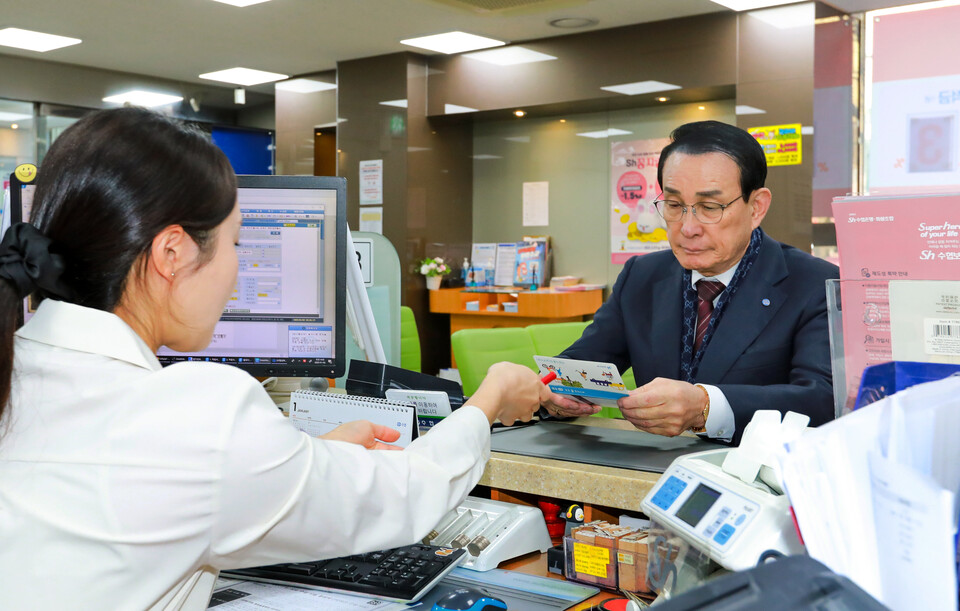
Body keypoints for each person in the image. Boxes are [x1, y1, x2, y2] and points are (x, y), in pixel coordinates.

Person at [0, 107, 544, 610]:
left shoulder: (18, 371)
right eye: (236, 243)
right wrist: (489, 399)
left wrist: (296, 461)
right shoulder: (195, 414)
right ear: (172, 253)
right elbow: (403, 492)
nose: (237, 269)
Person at [542, 120, 839, 445]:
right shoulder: (642, 276)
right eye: (673, 205)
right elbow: (587, 360)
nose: (688, 227)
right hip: (647, 470)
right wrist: (552, 389)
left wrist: (706, 407)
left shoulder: (813, 284)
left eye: (709, 207)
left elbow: (821, 400)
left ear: (757, 207)